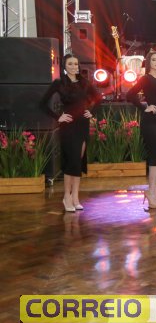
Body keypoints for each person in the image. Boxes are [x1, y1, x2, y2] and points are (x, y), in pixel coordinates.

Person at [39, 54, 102, 212]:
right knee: (71, 162)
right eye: (70, 64)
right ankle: (67, 196)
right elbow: (42, 104)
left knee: (77, 162)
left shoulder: (84, 82)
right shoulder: (59, 83)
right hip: (68, 126)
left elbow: (98, 97)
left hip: (82, 125)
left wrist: (91, 111)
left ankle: (75, 197)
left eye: (75, 64)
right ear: (64, 66)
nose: (74, 66)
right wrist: (58, 117)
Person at [127, 50, 156, 210]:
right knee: (155, 157)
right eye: (154, 60)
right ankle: (151, 192)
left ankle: (153, 192)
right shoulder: (145, 78)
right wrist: (144, 107)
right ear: (148, 62)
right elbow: (130, 94)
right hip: (151, 122)